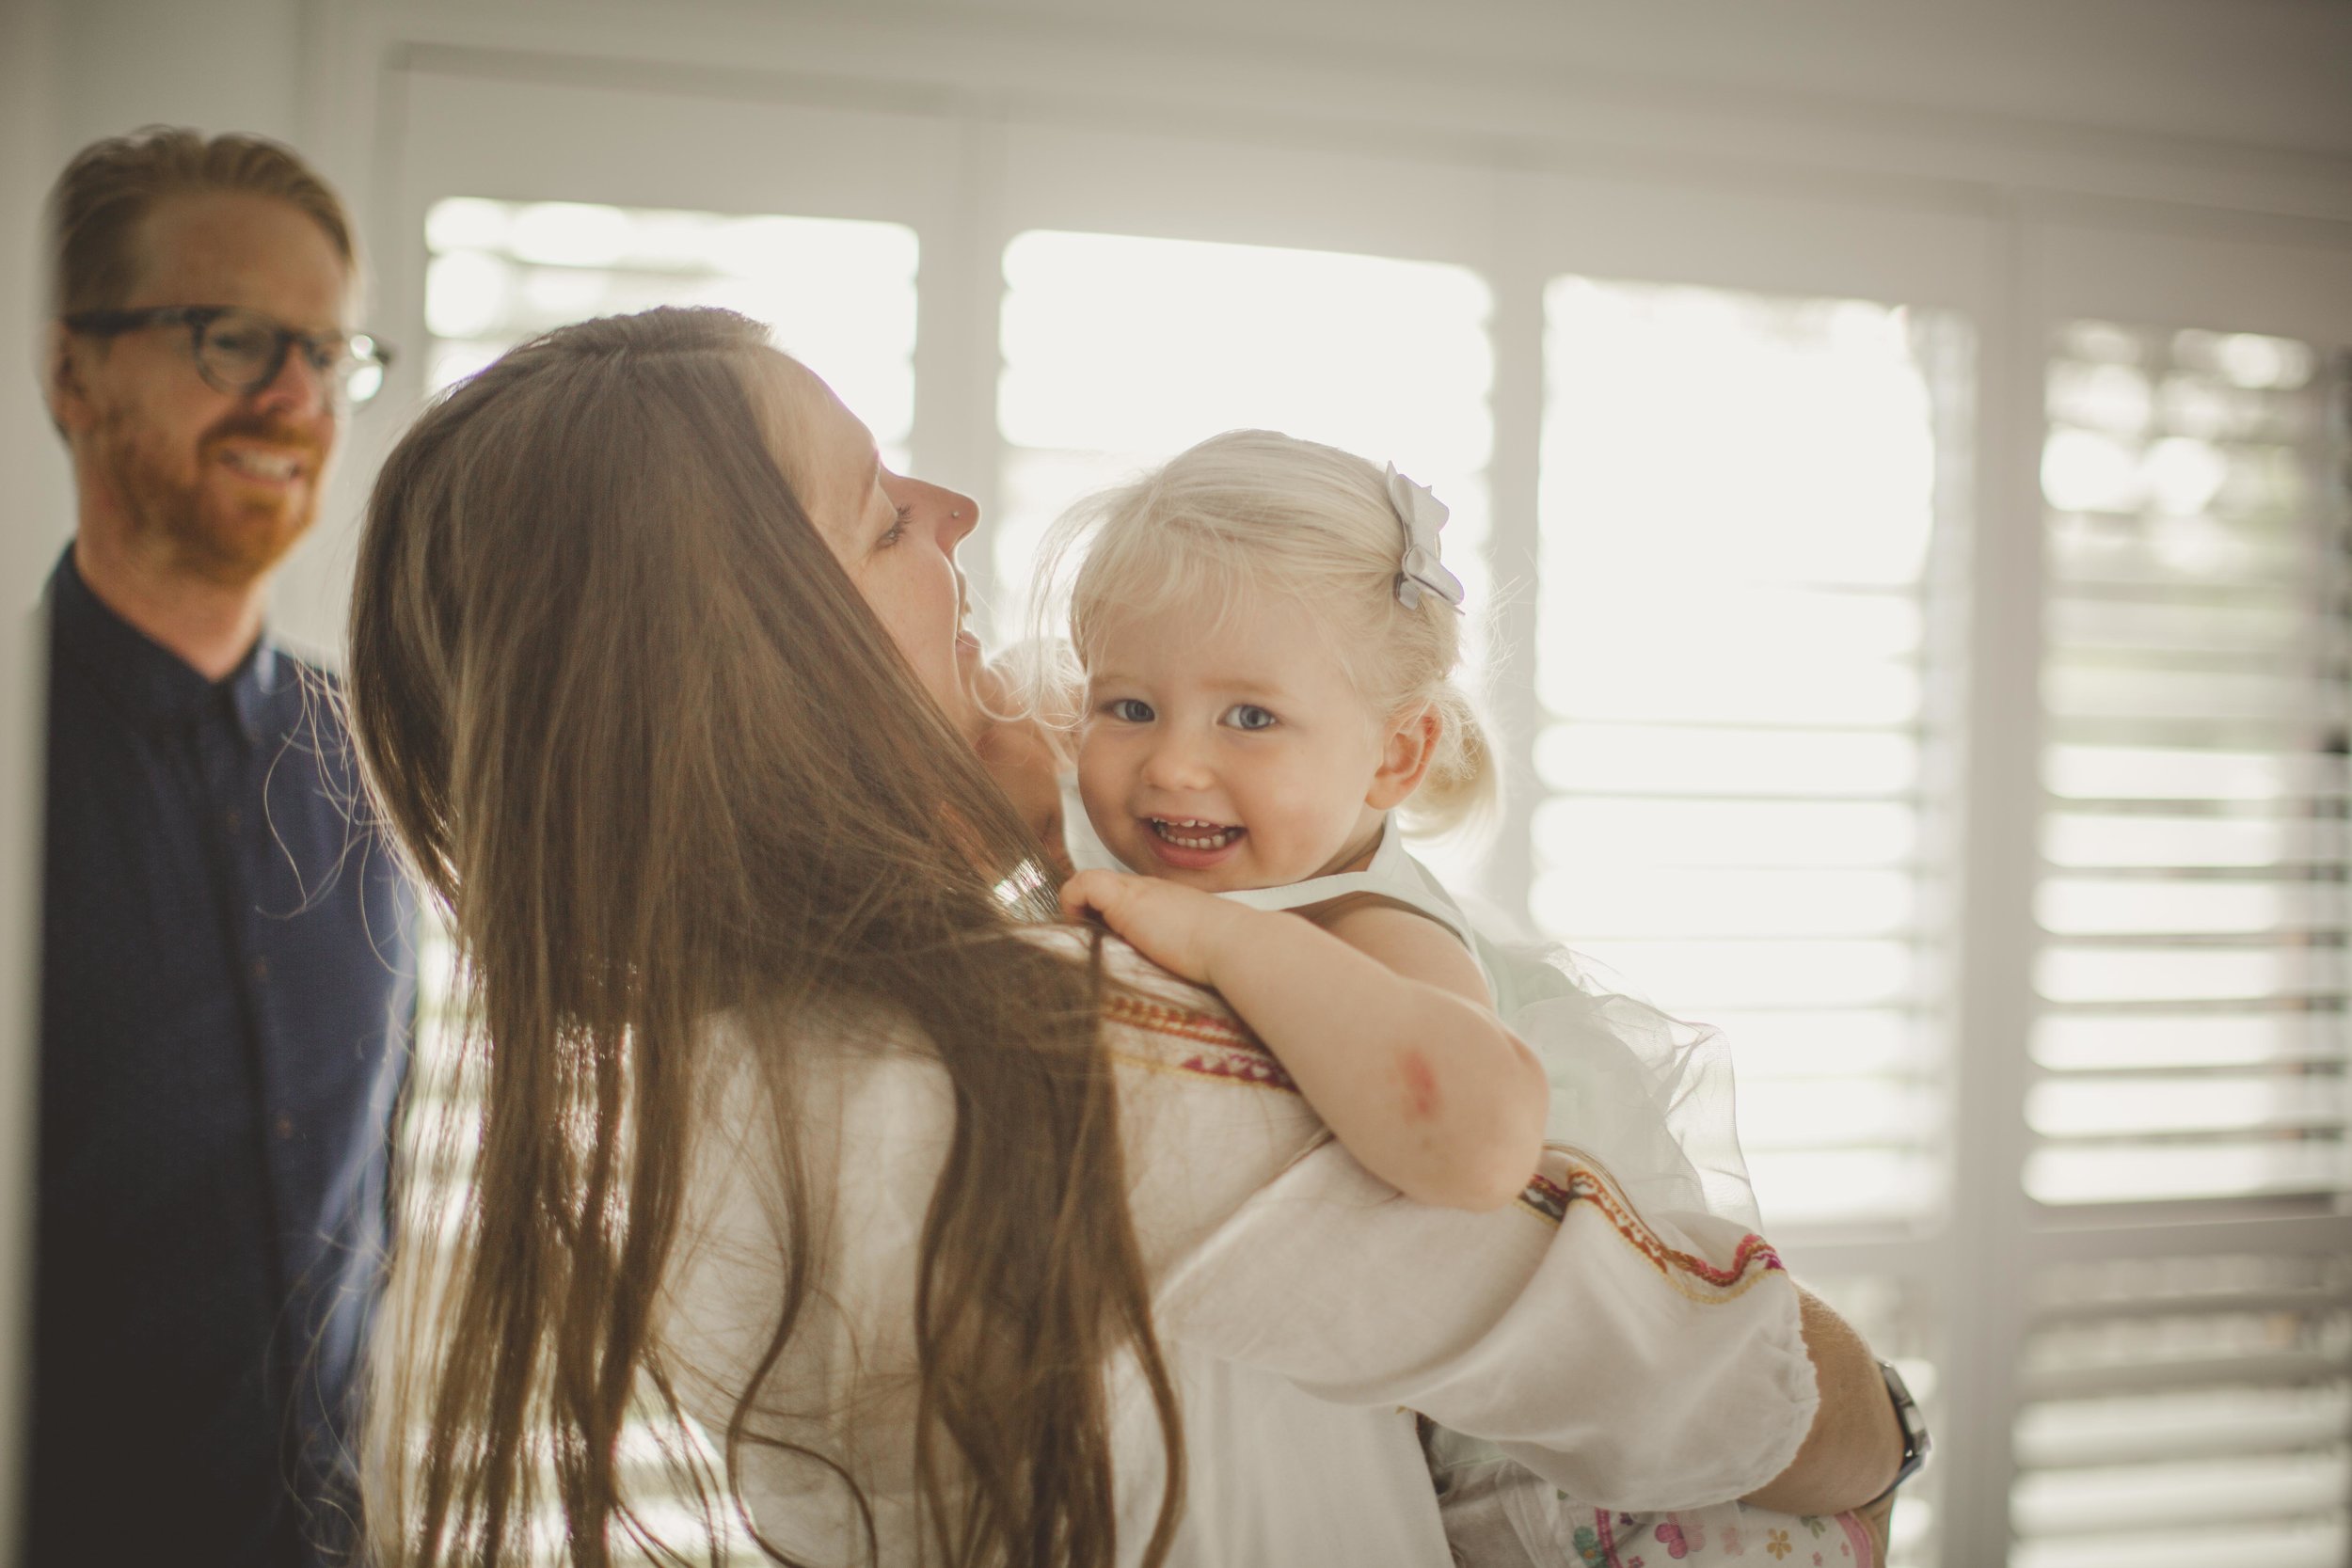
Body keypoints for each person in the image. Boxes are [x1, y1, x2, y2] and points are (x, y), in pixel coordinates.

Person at [349, 308, 1905, 1568]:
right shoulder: (1075, 1065)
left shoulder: (684, 1080)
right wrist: (1884, 1428)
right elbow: (1664, 1367)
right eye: (886, 517)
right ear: (762, 667)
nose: (953, 511)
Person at [1031, 428, 1896, 1564]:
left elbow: (1480, 1145)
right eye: (1128, 706)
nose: (1172, 765)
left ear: (1394, 759)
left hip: (1599, 1498)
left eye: (1249, 717)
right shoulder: (1238, 867)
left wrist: (1217, 937)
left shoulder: (1362, 922)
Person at [31, 127, 410, 1567]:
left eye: (325, 350)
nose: (295, 395)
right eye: (235, 336)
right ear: (76, 372)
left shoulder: (372, 760)